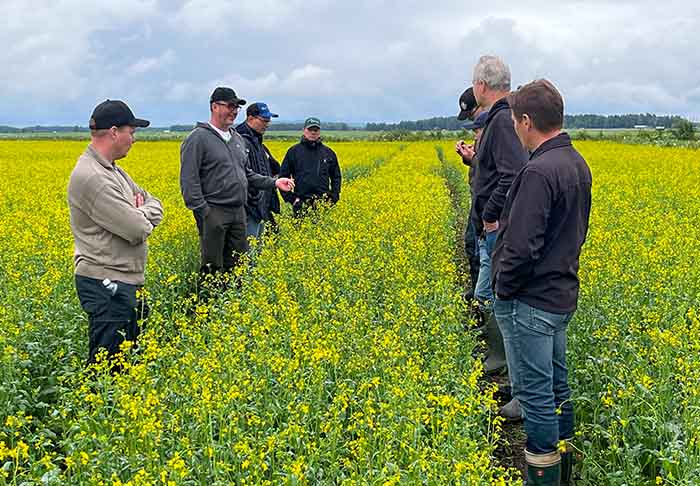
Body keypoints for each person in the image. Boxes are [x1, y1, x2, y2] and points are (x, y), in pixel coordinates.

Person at [492, 79, 592, 485]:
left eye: (516, 121)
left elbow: (522, 246)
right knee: (558, 389)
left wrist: (503, 287)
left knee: (536, 398)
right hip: (560, 297)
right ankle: (566, 473)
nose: (516, 129)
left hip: (532, 303)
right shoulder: (576, 163)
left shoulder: (539, 170)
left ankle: (545, 480)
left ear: (527, 120)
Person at [68, 100, 163, 366]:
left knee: (130, 362)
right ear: (113, 132)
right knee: (108, 370)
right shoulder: (93, 177)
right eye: (131, 132)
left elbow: (153, 202)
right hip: (107, 284)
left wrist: (140, 209)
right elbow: (137, 229)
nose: (134, 139)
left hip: (125, 281)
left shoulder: (112, 170)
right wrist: (139, 214)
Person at [180, 87, 295, 277]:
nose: (234, 111)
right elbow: (188, 180)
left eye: (237, 108)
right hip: (214, 212)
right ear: (215, 107)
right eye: (230, 106)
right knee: (213, 268)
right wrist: (204, 212)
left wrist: (274, 183)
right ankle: (209, 305)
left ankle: (234, 305)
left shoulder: (237, 138)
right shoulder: (198, 138)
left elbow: (246, 174)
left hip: (238, 212)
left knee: (238, 267)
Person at [235, 102, 281, 239]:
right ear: (250, 118)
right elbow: (243, 175)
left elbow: (274, 168)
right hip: (249, 208)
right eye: (264, 120)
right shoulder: (239, 141)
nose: (267, 124)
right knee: (248, 255)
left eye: (269, 121)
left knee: (257, 252)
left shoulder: (258, 143)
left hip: (261, 207)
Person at [456, 106, 487, 300]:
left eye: (476, 129)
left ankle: (481, 300)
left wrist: (474, 158)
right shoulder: (484, 140)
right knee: (472, 246)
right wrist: (470, 158)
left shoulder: (497, 137)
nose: (474, 134)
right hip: (478, 202)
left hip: (486, 209)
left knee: (481, 253)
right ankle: (477, 294)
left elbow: (490, 171)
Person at [279, 117, 341, 216]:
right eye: (310, 129)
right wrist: (292, 199)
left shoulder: (328, 153)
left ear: (319, 132)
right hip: (301, 203)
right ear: (304, 130)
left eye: (316, 130)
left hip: (323, 204)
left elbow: (336, 177)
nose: (313, 132)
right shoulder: (294, 151)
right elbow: (283, 177)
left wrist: (334, 197)